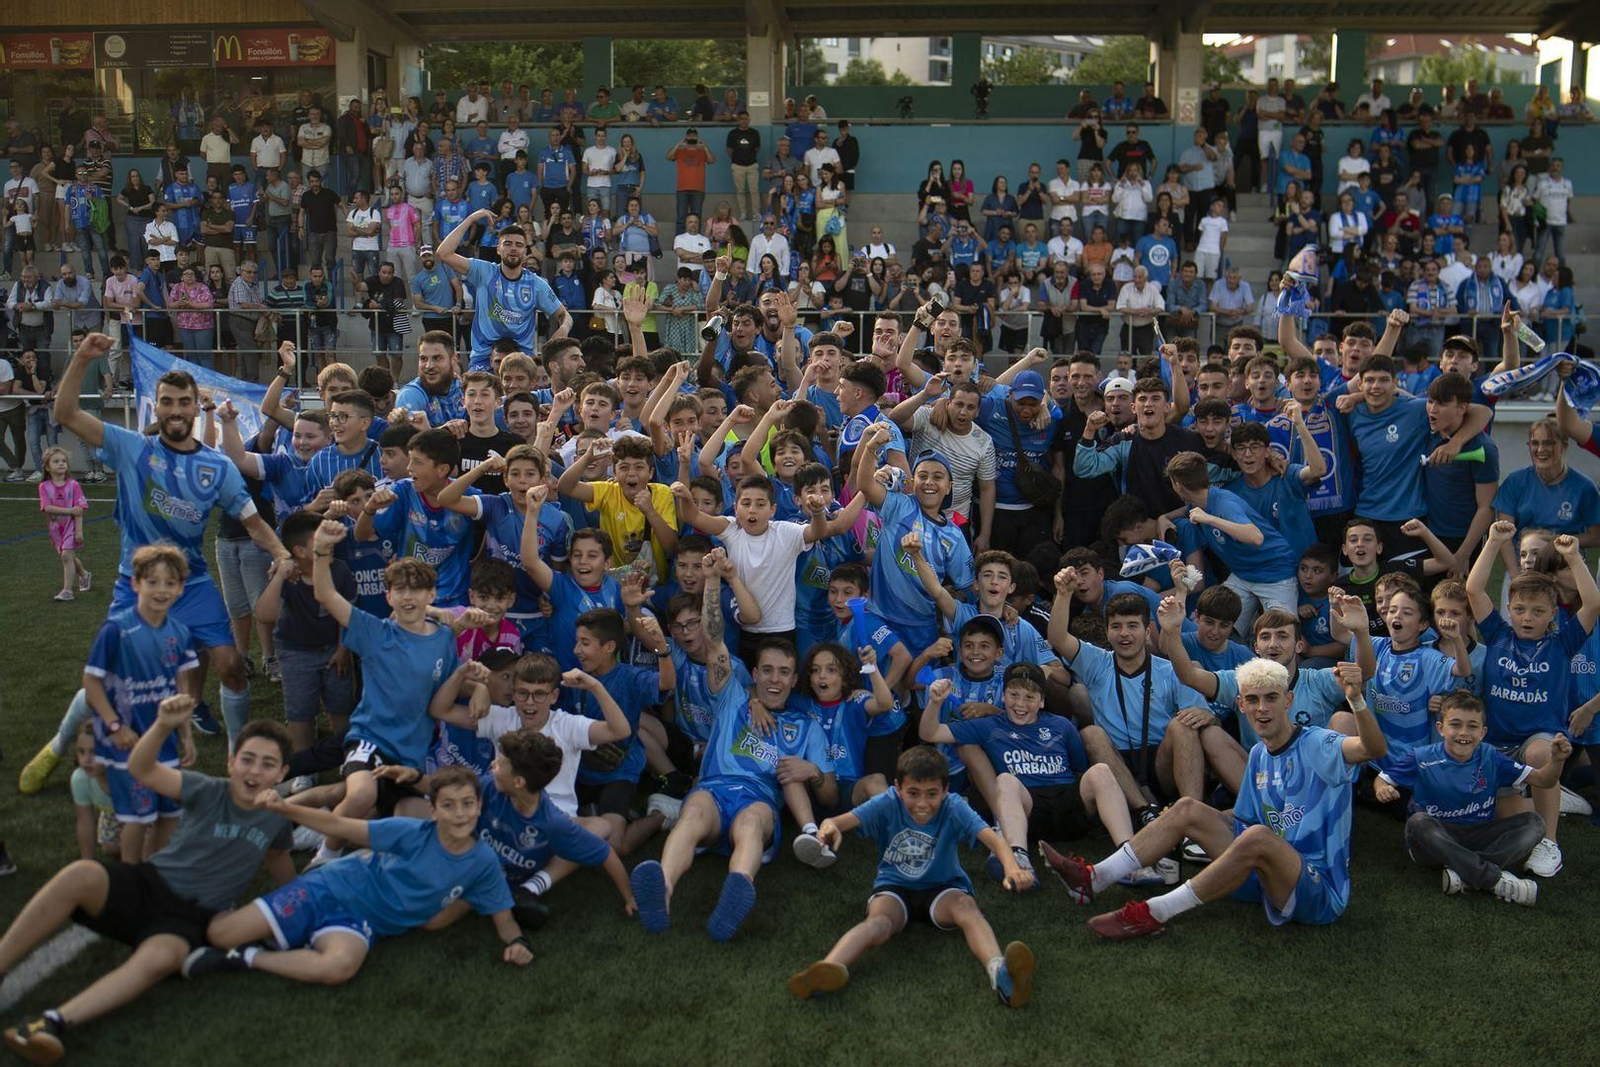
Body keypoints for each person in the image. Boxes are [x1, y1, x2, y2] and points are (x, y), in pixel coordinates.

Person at [0, 701, 295, 1064]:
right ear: (231, 762)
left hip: (190, 919)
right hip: (148, 884)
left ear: (282, 774)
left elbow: (280, 863)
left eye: (268, 764)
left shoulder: (278, 818)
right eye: (247, 759)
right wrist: (162, 726)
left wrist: (298, 912)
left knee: (162, 958)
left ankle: (51, 1025)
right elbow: (142, 769)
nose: (255, 771)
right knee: (81, 874)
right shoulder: (207, 789)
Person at [1045, 657, 1386, 938]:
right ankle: (1094, 878)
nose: (1262, 708)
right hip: (1263, 876)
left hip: (1317, 891)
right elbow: (1243, 820)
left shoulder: (1317, 742)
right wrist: (1191, 823)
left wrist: (1355, 699)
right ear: (1240, 704)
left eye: (1271, 698)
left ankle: (1154, 912)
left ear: (1288, 700)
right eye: (1252, 700)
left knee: (1256, 837)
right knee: (1188, 807)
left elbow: (1373, 748)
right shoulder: (1259, 756)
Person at [182, 765, 534, 985]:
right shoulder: (412, 832)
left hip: (361, 923)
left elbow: (504, 920)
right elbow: (339, 824)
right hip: (329, 887)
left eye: (467, 804)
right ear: (432, 810)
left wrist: (517, 944)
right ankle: (214, 929)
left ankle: (245, 958)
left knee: (339, 967)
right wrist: (284, 807)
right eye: (448, 805)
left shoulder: (484, 862)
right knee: (220, 932)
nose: (460, 814)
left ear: (479, 806)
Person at [788, 745, 1036, 1008]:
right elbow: (838, 821)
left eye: (932, 794)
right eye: (913, 793)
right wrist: (828, 829)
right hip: (895, 888)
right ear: (897, 788)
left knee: (967, 909)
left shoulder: (953, 807)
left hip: (944, 888)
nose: (922, 803)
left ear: (945, 790)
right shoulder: (887, 801)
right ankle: (828, 969)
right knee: (879, 923)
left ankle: (1002, 976)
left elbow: (995, 841)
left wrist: (1012, 868)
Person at [1374, 691, 1563, 905]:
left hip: (1477, 834)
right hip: (1435, 841)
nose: (1463, 732)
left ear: (1483, 732)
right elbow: (1383, 779)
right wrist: (1382, 789)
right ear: (1441, 729)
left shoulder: (1491, 756)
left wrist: (1556, 761)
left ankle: (1465, 873)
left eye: (1472, 726)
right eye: (1455, 724)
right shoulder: (1422, 757)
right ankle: (1493, 879)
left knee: (1535, 823)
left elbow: (1543, 780)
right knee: (1417, 823)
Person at [436, 209, 568, 372]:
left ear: (525, 252)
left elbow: (564, 316)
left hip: (521, 358)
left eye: (519, 245)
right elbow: (443, 253)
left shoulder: (536, 284)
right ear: (498, 249)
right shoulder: (484, 272)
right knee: (477, 393)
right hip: (483, 357)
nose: (513, 248)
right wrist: (470, 219)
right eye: (507, 244)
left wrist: (563, 328)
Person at [38, 446, 90, 602]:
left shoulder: (73, 485)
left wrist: (79, 531)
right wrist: (70, 511)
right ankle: (84, 574)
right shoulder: (44, 487)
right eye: (56, 461)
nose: (61, 464)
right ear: (48, 467)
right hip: (56, 529)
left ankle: (67, 591)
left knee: (66, 556)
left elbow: (79, 509)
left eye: (63, 461)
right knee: (69, 557)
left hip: (71, 527)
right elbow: (47, 507)